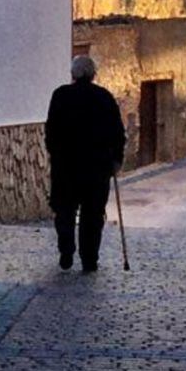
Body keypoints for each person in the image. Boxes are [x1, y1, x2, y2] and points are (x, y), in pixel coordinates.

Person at [45, 56, 126, 272]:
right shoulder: (104, 97)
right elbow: (118, 132)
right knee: (92, 214)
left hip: (65, 166)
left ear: (73, 74)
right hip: (96, 168)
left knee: (64, 210)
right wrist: (117, 159)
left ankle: (66, 250)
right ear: (93, 74)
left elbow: (50, 130)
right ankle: (89, 259)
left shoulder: (60, 96)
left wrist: (55, 154)